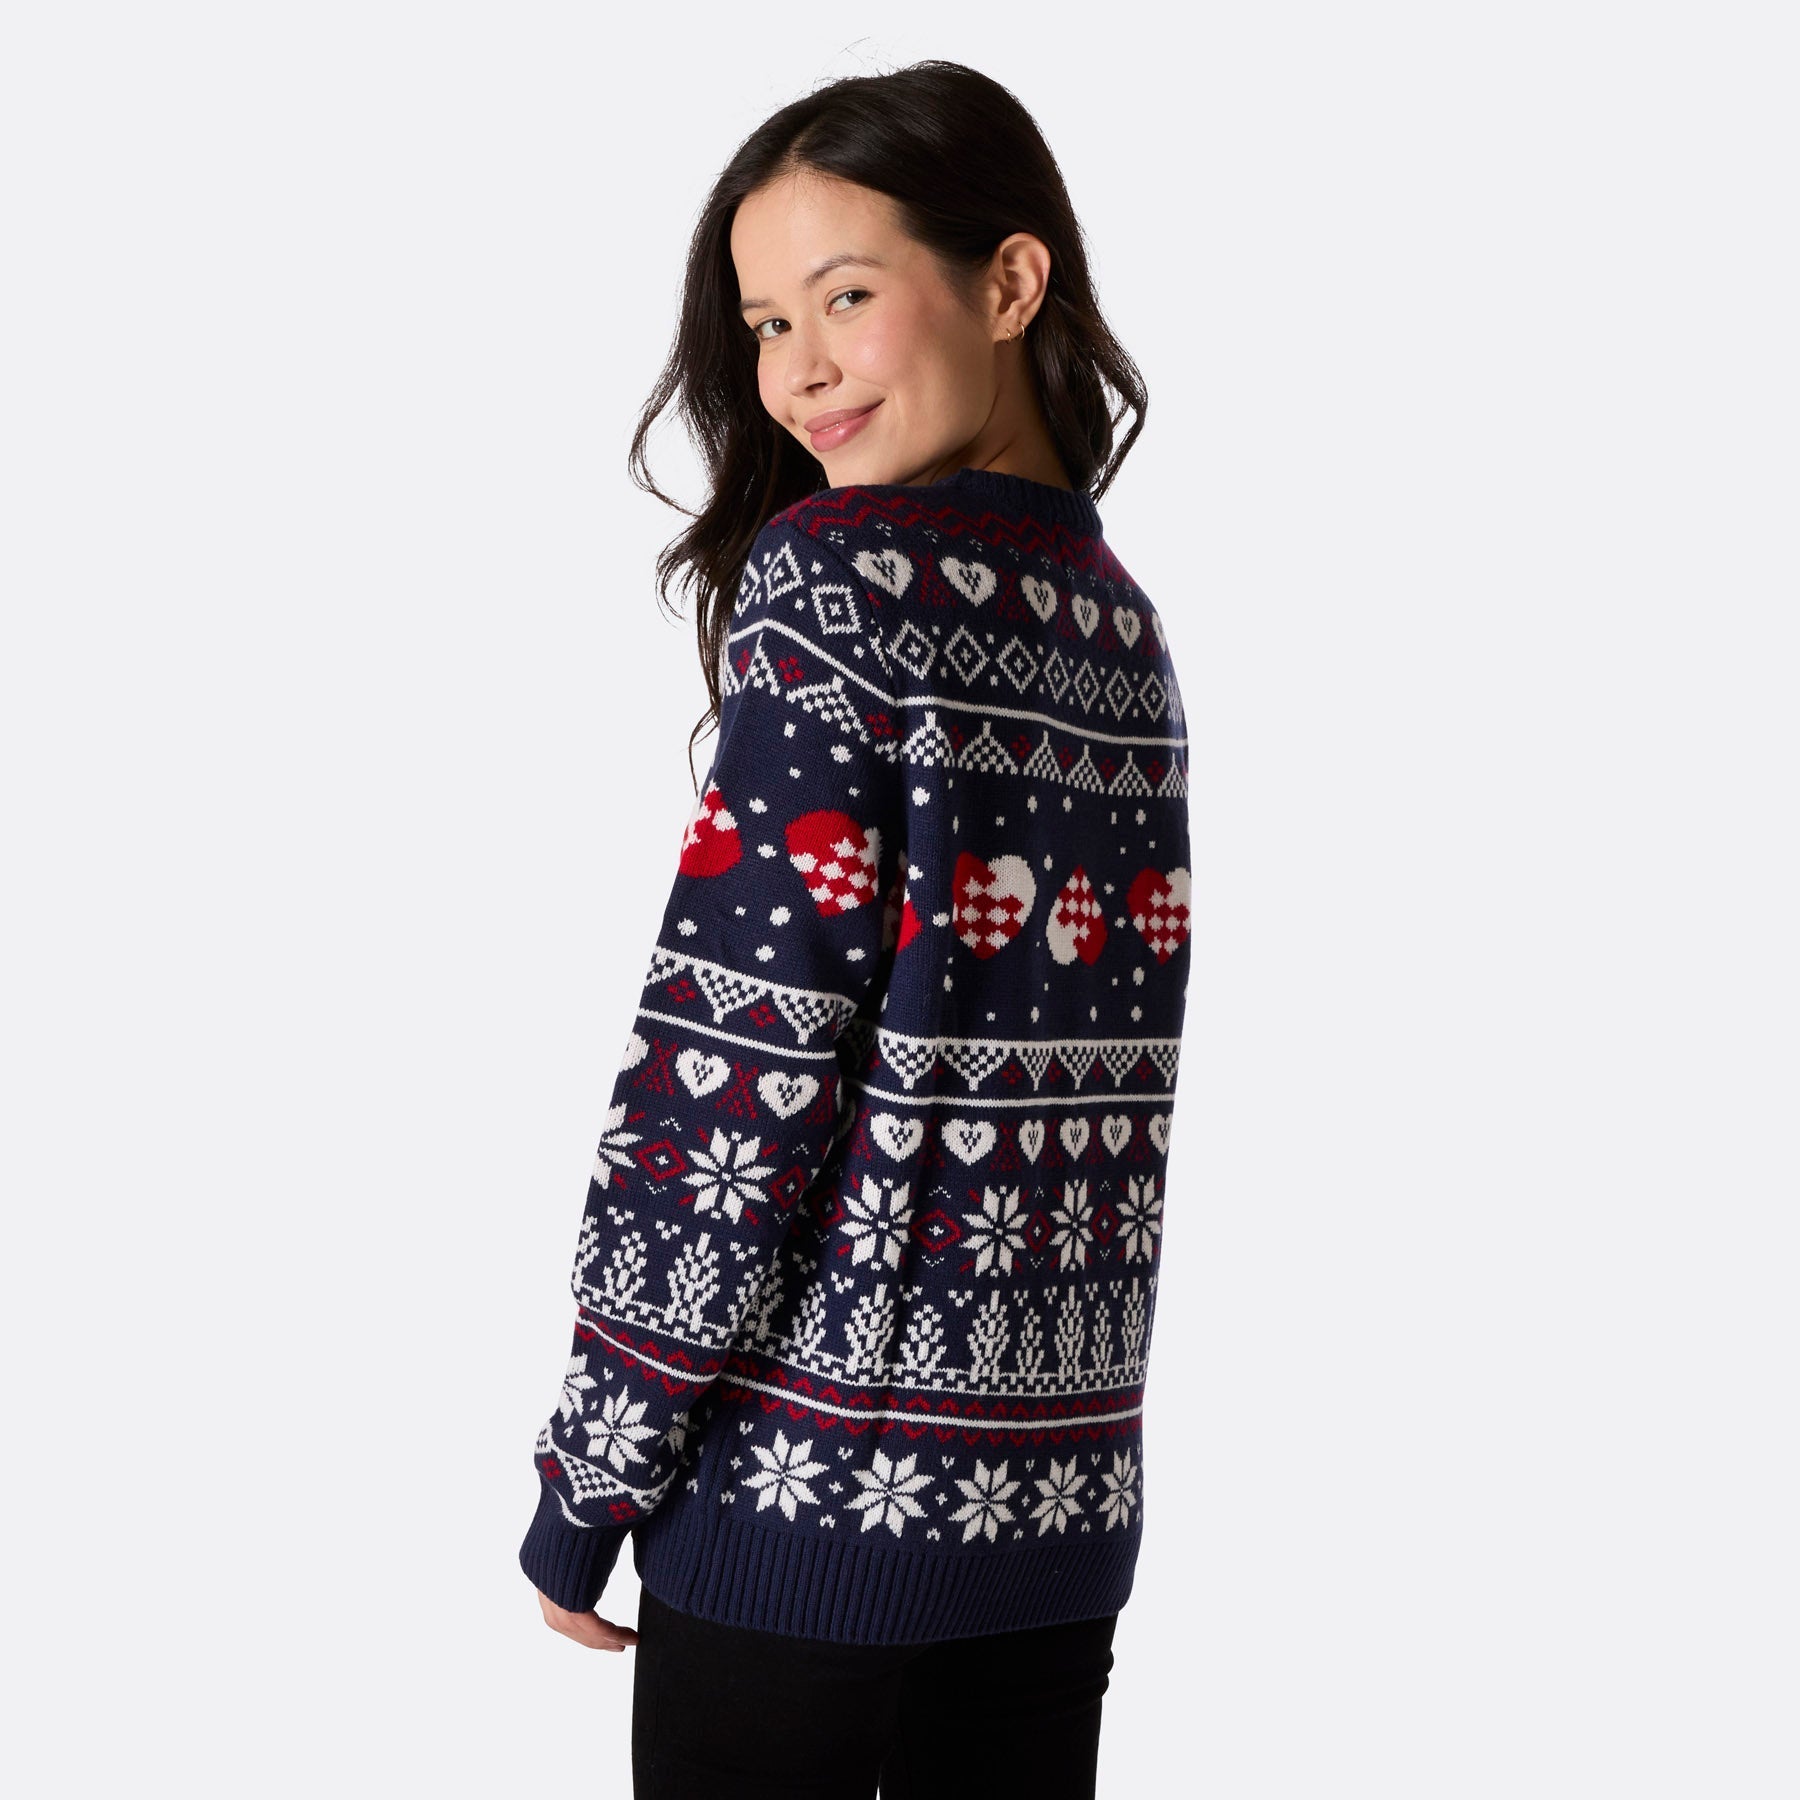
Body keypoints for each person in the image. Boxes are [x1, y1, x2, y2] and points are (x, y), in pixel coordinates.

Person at [518, 58, 1191, 1799]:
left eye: (846, 296)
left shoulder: (836, 584)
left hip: (808, 1504)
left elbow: (735, 1072)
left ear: (1010, 282)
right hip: (1053, 1513)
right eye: (764, 322)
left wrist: (594, 1472)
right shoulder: (1119, 628)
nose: (798, 367)